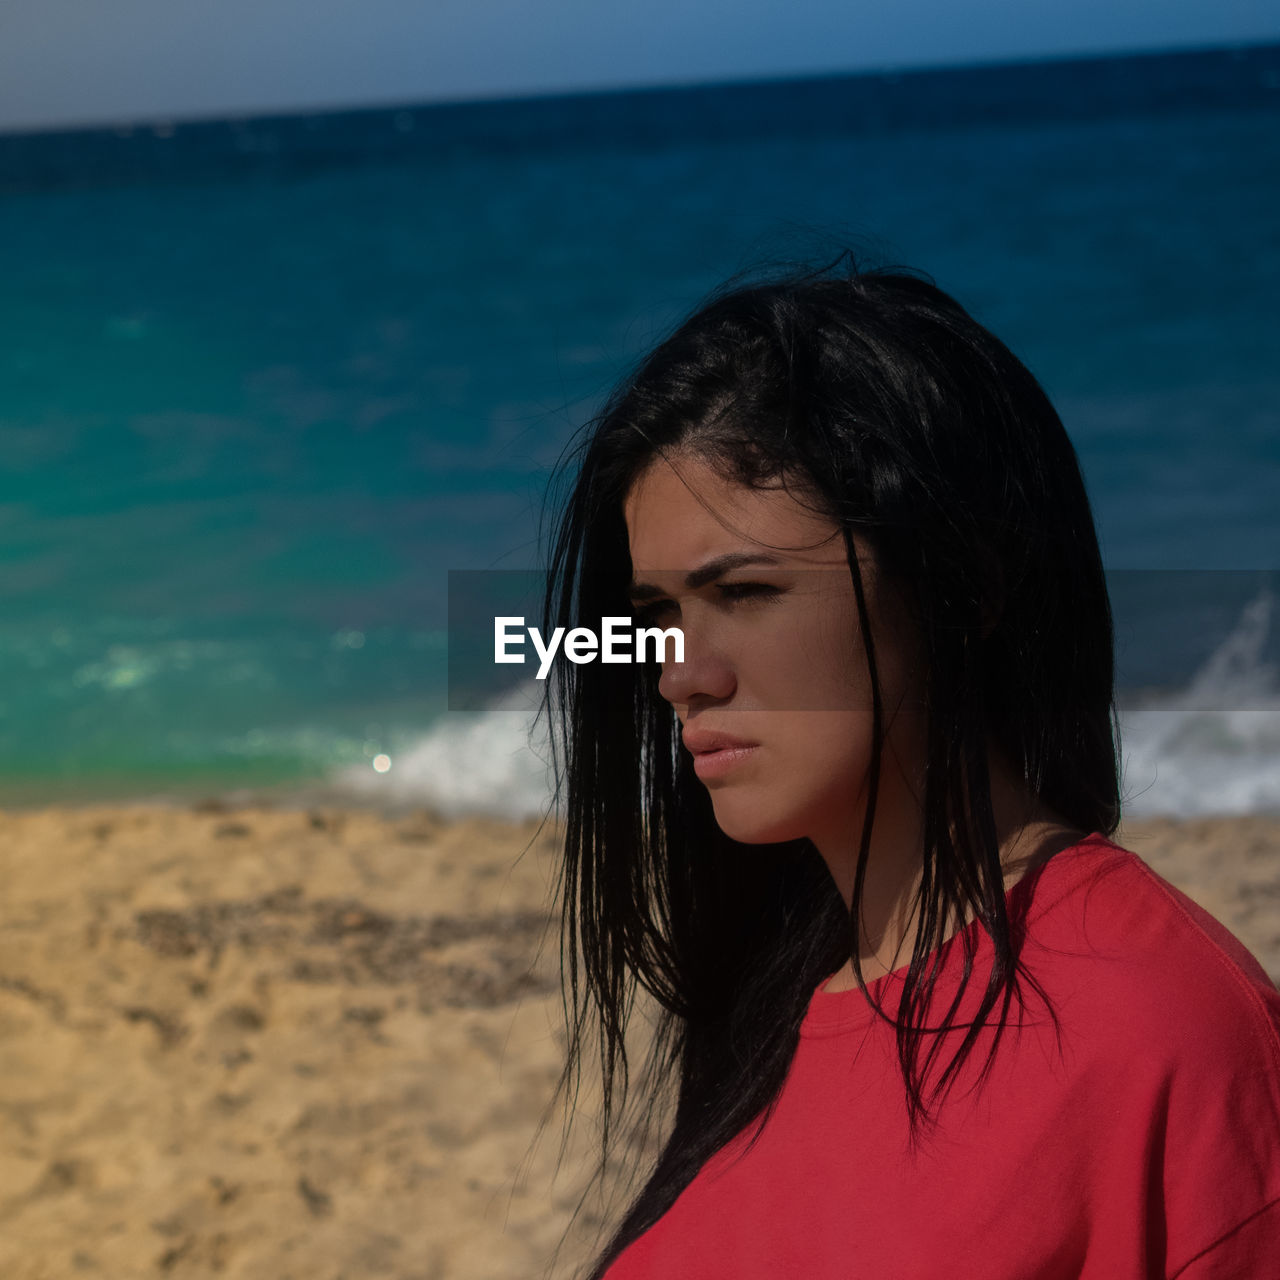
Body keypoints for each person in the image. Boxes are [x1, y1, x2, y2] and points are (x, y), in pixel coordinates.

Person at [536, 257, 1280, 1278]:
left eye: (745, 591)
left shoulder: (1156, 1030)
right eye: (658, 612)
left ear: (961, 583)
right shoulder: (777, 1004)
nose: (680, 674)